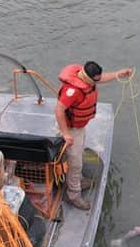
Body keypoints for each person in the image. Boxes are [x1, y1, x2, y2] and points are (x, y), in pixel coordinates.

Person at [55, 60, 133, 210]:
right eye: (96, 80)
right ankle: (74, 195)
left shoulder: (86, 78)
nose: (98, 81)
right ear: (89, 78)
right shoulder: (71, 91)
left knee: (79, 155)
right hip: (70, 129)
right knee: (75, 162)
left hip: (79, 127)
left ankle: (78, 180)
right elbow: (59, 111)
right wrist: (65, 134)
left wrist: (118, 74)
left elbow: (101, 78)